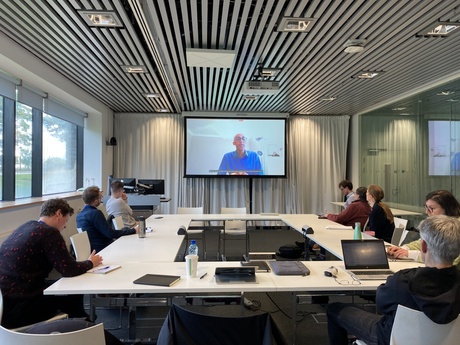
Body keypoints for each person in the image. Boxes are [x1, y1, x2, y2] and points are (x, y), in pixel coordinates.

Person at [327, 215, 460, 345]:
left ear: (423, 246)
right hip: (449, 340)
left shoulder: (403, 281)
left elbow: (381, 304)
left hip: (390, 337)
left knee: (334, 308)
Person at [0, 198, 103, 329]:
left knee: (65, 291)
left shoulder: (26, 226)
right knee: (72, 293)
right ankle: (84, 328)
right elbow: (68, 269)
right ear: (58, 214)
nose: (65, 226)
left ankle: (83, 324)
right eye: (66, 220)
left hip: (5, 304)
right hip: (22, 308)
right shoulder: (49, 233)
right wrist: (90, 263)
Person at [388, 190, 460, 264]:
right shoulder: (436, 222)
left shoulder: (456, 227)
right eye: (426, 207)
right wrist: (404, 248)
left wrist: (411, 254)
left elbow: (452, 261)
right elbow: (423, 241)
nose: (427, 212)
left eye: (432, 208)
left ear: (447, 208)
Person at [76, 186, 137, 253]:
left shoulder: (79, 216)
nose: (101, 199)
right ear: (95, 201)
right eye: (100, 197)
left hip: (92, 249)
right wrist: (133, 230)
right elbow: (110, 234)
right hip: (103, 248)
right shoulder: (95, 213)